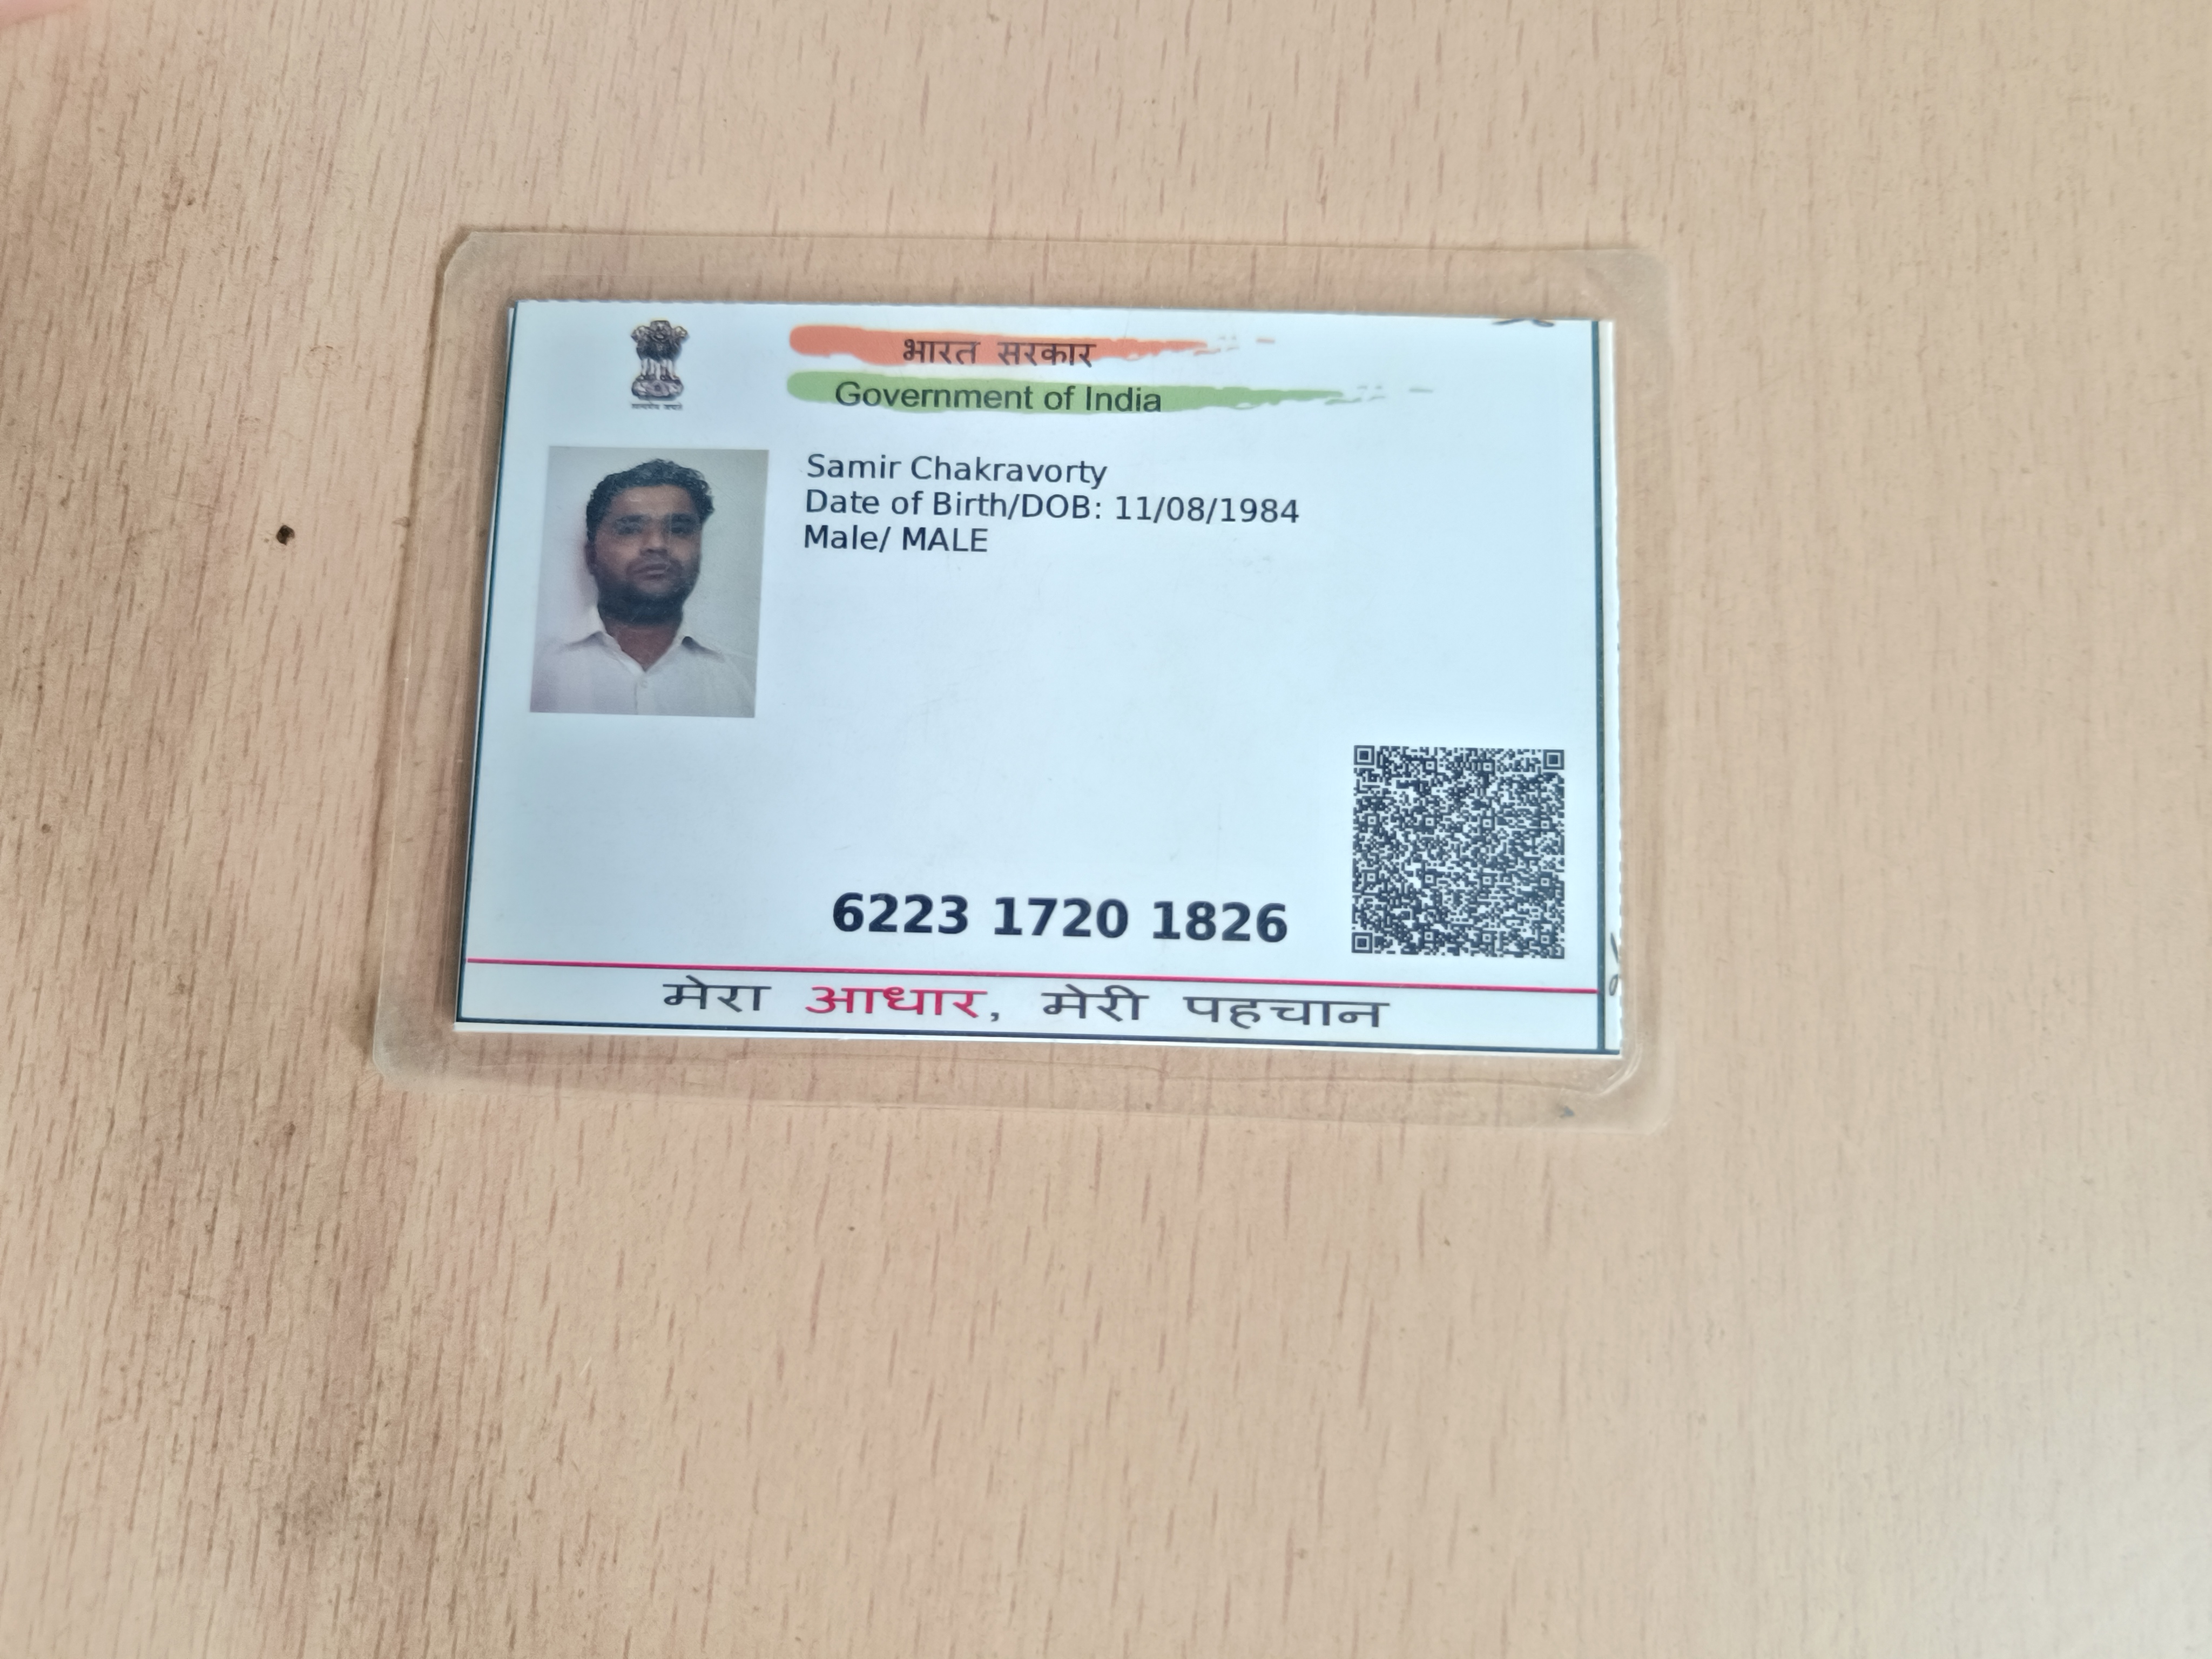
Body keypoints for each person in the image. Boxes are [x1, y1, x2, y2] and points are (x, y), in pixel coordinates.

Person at [531, 458, 756, 717]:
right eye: (630, 529)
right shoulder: (533, 672)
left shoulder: (748, 680)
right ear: (592, 557)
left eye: (679, 529)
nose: (657, 545)